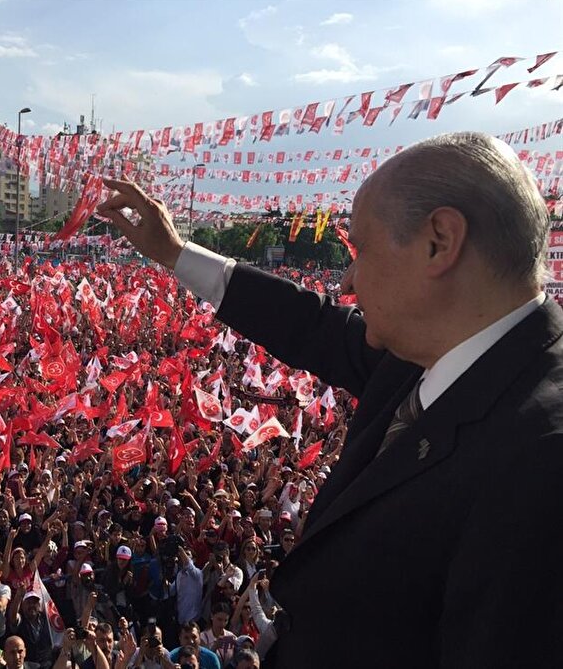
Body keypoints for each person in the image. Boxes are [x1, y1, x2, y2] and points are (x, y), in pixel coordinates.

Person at [97, 131, 563, 668]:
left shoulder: (541, 461)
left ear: (440, 241)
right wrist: (175, 254)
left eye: (361, 250)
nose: (346, 279)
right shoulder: (430, 355)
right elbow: (312, 324)